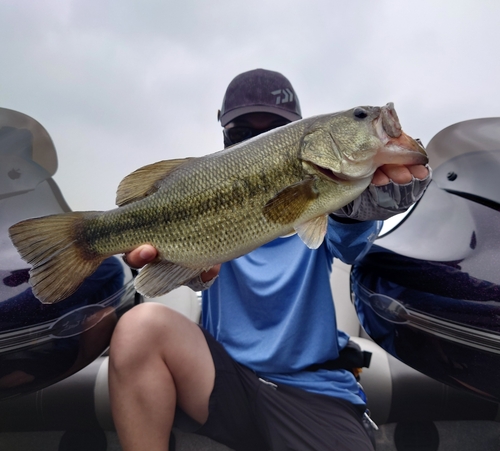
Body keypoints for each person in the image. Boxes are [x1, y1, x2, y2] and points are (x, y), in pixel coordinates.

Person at [108, 69, 430, 451]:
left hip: (313, 390)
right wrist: (191, 271)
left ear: (297, 136)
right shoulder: (205, 195)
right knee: (138, 326)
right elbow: (180, 272)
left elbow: (351, 249)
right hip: (221, 379)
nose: (258, 140)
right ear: (224, 135)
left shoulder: (332, 204)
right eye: (243, 134)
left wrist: (356, 210)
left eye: (274, 130)